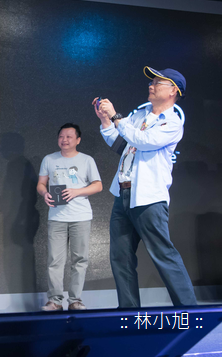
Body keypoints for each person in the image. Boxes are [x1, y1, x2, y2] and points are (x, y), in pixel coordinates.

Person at [93, 66, 197, 308]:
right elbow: (121, 144)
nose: (151, 85)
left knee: (163, 254)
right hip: (123, 193)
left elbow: (144, 141)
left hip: (149, 198)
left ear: (173, 91)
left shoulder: (172, 122)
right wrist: (106, 121)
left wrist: (116, 117)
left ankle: (189, 311)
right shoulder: (140, 115)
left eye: (158, 82)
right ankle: (128, 312)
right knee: (120, 257)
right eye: (151, 82)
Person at [37, 123, 102, 311]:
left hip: (80, 216)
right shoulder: (49, 159)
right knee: (54, 260)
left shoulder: (86, 160)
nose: (64, 140)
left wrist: (76, 191)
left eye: (69, 137)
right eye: (61, 136)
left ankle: (75, 300)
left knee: (79, 260)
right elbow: (41, 184)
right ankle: (55, 301)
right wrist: (44, 193)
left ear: (78, 140)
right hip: (56, 217)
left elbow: (98, 185)